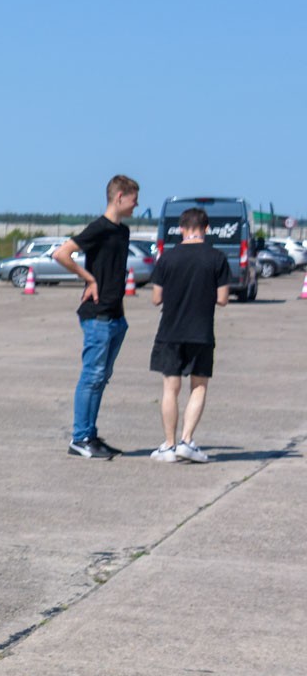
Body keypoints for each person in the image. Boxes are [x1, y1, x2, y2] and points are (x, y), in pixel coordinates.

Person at [55, 174, 140, 458]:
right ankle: (79, 438)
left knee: (101, 378)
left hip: (116, 316)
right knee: (92, 377)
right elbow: (62, 254)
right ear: (119, 197)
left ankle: (90, 435)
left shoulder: (122, 231)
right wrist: (89, 279)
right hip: (97, 316)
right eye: (134, 199)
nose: (136, 205)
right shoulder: (99, 228)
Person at [147, 206, 232, 463]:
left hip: (170, 331)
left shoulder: (167, 258)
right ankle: (186, 441)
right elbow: (223, 299)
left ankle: (169, 445)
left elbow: (156, 298)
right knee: (199, 386)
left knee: (170, 388)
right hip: (201, 331)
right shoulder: (217, 258)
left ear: (181, 228)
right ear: (207, 228)